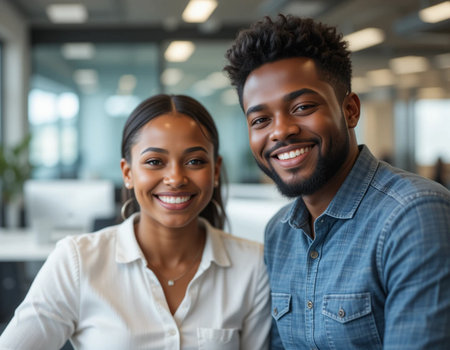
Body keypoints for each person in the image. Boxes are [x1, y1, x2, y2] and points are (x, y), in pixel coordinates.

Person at [223, 14, 450, 350]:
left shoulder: (413, 214)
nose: (280, 130)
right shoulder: (279, 233)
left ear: (350, 110)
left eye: (302, 106)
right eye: (260, 119)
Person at [0, 94, 271, 350]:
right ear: (128, 173)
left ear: (215, 170)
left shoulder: (252, 265)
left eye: (195, 161)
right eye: (155, 161)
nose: (175, 178)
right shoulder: (77, 261)